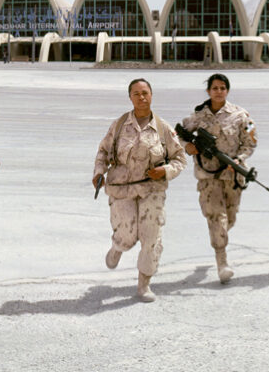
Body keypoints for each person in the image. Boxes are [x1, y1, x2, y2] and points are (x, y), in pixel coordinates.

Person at [93, 78, 186, 302]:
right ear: (130, 97)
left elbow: (180, 159)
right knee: (127, 233)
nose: (141, 97)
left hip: (151, 190)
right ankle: (118, 246)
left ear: (151, 95)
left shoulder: (163, 129)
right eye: (136, 93)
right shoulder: (119, 125)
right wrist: (98, 173)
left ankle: (144, 284)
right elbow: (103, 152)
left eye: (145, 93)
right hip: (121, 188)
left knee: (150, 237)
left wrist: (164, 170)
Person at [179, 73, 257, 284]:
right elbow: (180, 132)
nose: (218, 91)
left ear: (227, 91)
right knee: (216, 217)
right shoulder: (199, 115)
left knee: (229, 218)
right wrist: (188, 146)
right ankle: (222, 263)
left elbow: (250, 143)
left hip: (232, 175)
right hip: (208, 175)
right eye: (215, 88)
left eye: (222, 88)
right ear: (208, 91)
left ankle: (218, 238)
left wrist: (239, 160)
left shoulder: (241, 115)